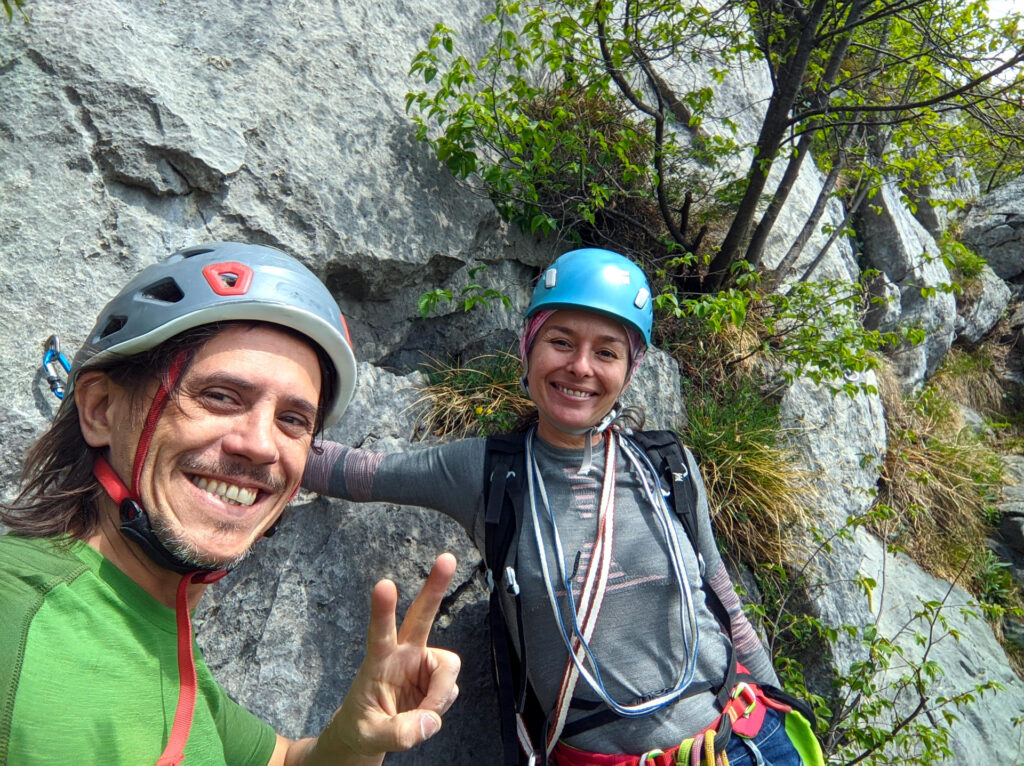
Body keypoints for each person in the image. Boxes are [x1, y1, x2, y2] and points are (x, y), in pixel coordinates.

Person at [303, 248, 823, 766]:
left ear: (629, 369)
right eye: (561, 341)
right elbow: (355, 472)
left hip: (751, 741)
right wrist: (257, 432)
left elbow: (723, 599)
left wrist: (783, 703)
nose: (580, 367)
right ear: (528, 347)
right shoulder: (485, 473)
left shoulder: (670, 464)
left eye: (606, 352)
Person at [0, 242, 461, 766]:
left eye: (293, 419)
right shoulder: (16, 612)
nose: (261, 444)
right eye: (220, 396)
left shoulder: (157, 635)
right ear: (102, 409)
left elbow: (288, 762)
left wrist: (357, 736)